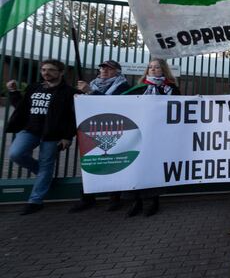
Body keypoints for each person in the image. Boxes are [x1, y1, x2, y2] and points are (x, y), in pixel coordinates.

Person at [6, 59, 80, 215]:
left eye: (51, 70)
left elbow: (72, 118)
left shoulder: (69, 92)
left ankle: (35, 201)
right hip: (30, 130)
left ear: (61, 72)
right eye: (44, 70)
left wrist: (67, 137)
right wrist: (13, 92)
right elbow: (22, 107)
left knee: (46, 165)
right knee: (16, 154)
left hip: (53, 134)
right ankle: (44, 176)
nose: (46, 73)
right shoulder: (35, 87)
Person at [69, 59, 131, 213]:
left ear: (117, 71)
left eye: (109, 69)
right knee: (90, 163)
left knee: (113, 163)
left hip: (113, 129)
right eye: (102, 68)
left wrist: (90, 92)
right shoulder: (92, 84)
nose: (104, 71)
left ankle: (115, 198)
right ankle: (87, 198)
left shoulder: (123, 86)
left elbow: (112, 104)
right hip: (91, 129)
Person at [121, 59, 181, 217]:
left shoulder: (171, 88)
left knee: (153, 167)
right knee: (136, 165)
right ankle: (136, 201)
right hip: (138, 133)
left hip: (159, 134)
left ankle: (154, 201)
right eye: (151, 67)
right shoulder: (139, 88)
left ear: (164, 70)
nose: (153, 70)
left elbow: (179, 108)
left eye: (157, 68)